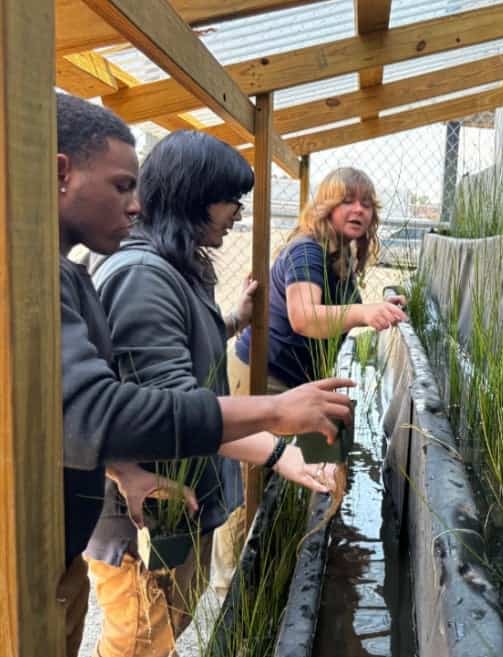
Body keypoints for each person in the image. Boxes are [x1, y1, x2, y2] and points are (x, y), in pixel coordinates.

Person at [55, 93, 351, 657]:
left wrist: (230, 318)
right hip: (152, 522)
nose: (237, 212)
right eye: (229, 200)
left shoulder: (172, 270)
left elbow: (157, 360)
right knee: (143, 638)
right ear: (194, 199)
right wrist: (277, 441)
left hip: (172, 503)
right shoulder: (143, 276)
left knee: (163, 627)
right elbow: (153, 406)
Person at [232, 167, 407, 393]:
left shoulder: (339, 254)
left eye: (366, 204)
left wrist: (379, 310)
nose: (359, 209)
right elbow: (304, 318)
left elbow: (338, 311)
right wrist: (363, 312)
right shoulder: (307, 250)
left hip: (295, 380)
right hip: (265, 378)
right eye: (347, 201)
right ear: (327, 206)